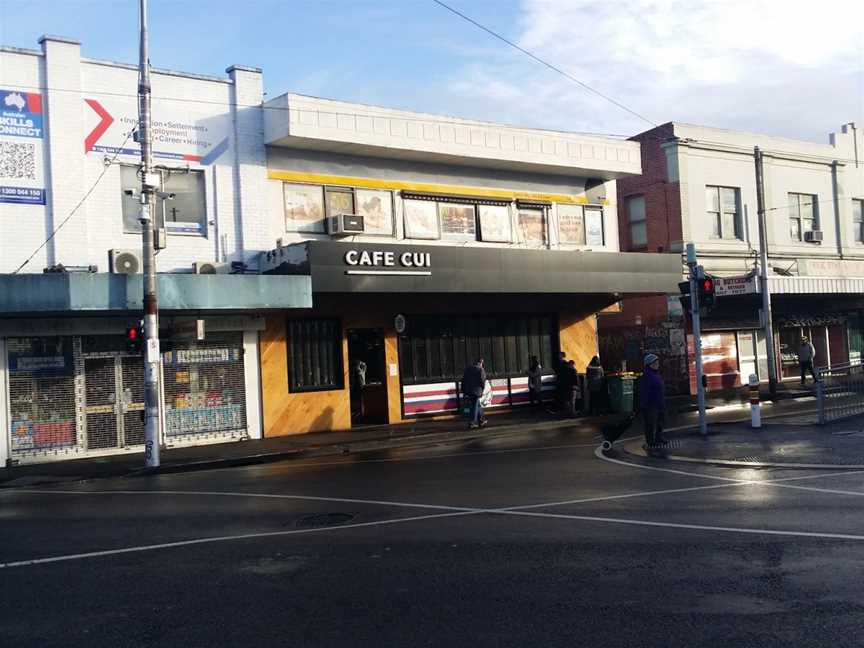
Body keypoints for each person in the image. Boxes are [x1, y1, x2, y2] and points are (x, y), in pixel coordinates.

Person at [639, 353, 667, 447]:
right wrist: (645, 403)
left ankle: (658, 437)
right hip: (651, 404)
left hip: (659, 402)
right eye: (656, 362)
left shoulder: (655, 374)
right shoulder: (647, 376)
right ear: (650, 364)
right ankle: (651, 441)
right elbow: (644, 391)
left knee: (660, 420)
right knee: (650, 423)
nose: (658, 364)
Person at [461, 357, 487, 429]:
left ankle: (482, 420)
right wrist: (482, 389)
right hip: (476, 391)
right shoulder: (481, 369)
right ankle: (473, 422)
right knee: (475, 407)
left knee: (477, 405)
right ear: (481, 363)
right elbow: (482, 381)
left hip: (469, 391)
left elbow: (463, 380)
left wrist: (464, 390)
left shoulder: (468, 369)